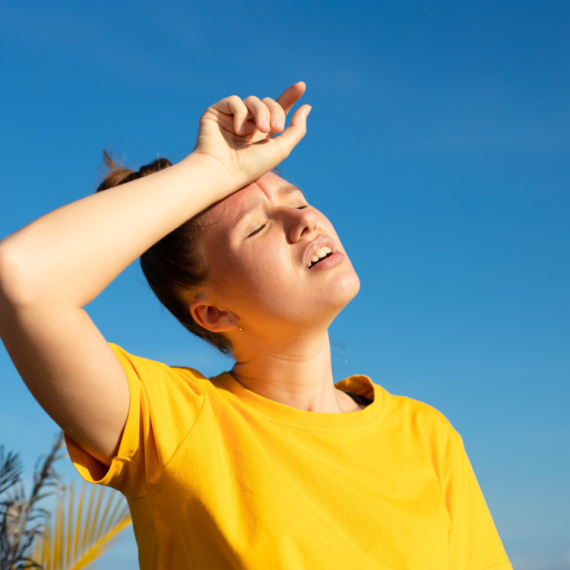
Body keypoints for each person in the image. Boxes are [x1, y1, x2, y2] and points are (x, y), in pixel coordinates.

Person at [0, 82, 512, 569]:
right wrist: (209, 170)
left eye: (298, 201)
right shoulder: (176, 426)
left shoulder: (426, 435)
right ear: (215, 313)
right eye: (259, 227)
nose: (305, 221)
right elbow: (21, 279)